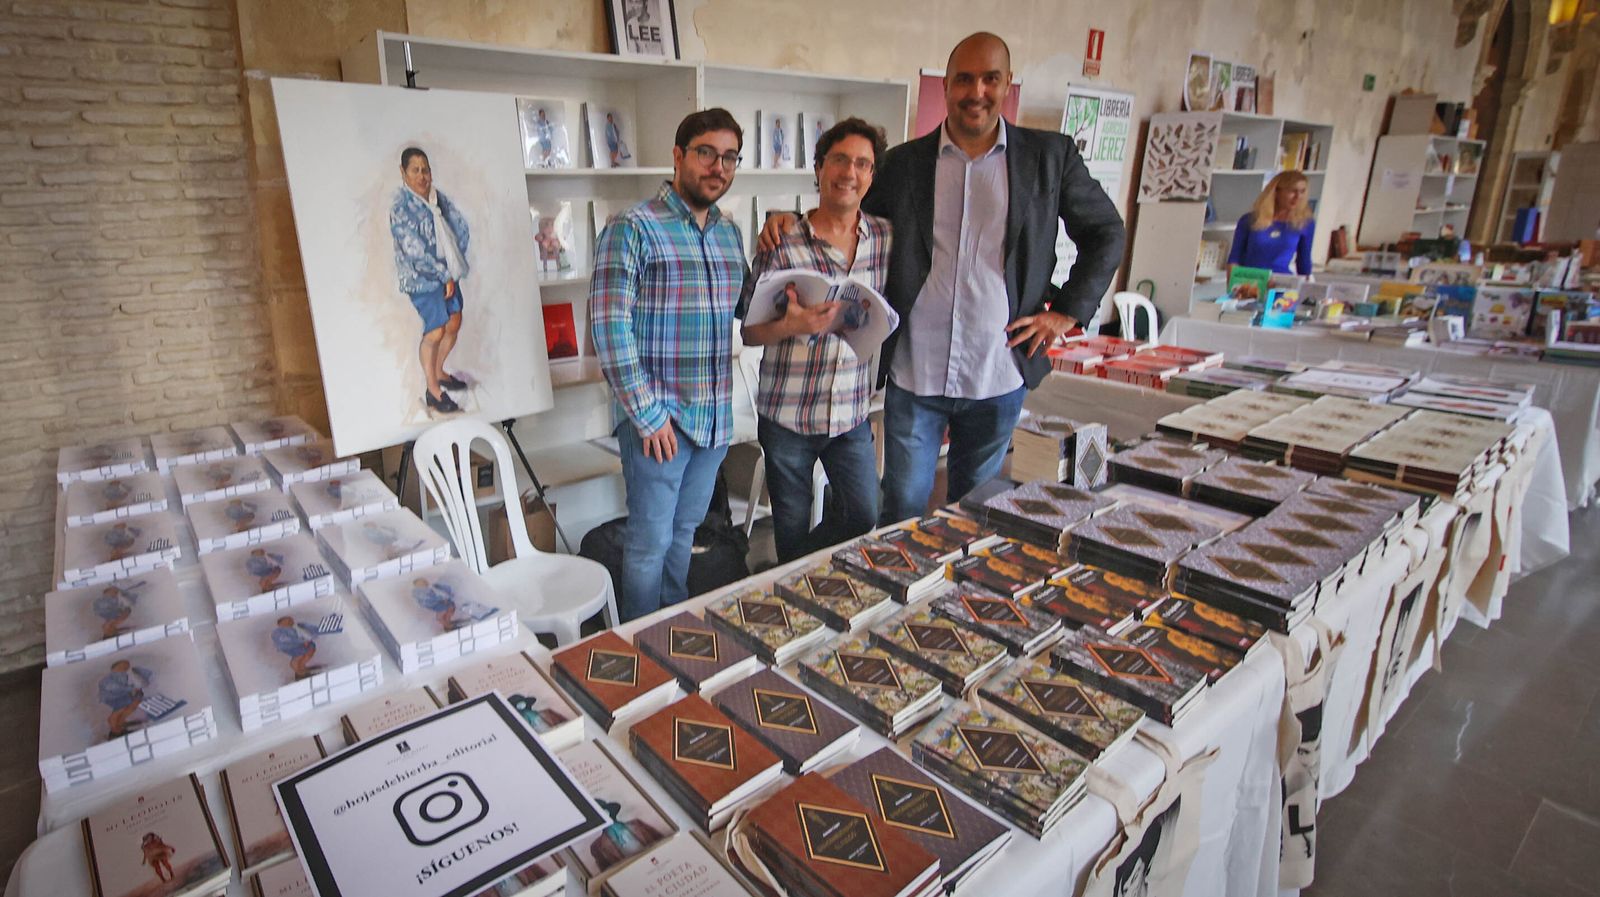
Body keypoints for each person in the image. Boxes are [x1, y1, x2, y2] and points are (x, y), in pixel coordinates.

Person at [759, 32, 1124, 523]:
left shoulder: (1049, 158)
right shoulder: (904, 165)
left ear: (1006, 83)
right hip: (917, 372)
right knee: (903, 509)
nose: (977, 91)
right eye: (964, 79)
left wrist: (1066, 313)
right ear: (947, 85)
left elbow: (1106, 232)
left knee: (977, 512)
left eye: (990, 79)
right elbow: (846, 208)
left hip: (998, 370)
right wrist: (787, 217)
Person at [589, 108, 747, 621]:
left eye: (729, 157)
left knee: (684, 535)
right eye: (706, 153)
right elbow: (610, 329)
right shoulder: (632, 228)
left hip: (713, 420)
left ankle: (672, 626)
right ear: (678, 156)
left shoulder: (729, 234)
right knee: (648, 543)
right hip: (661, 422)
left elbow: (750, 305)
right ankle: (640, 644)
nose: (717, 167)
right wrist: (647, 414)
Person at [738, 117, 891, 562]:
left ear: (871, 176)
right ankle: (796, 591)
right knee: (788, 524)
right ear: (819, 167)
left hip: (851, 414)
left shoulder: (884, 238)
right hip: (788, 413)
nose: (850, 173)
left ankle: (802, 569)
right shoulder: (782, 240)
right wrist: (792, 326)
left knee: (864, 513)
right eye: (840, 160)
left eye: (862, 164)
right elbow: (748, 330)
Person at [390, 146, 471, 414]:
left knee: (455, 321)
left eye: (425, 170)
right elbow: (413, 250)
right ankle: (433, 389)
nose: (422, 176)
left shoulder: (438, 200)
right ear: (403, 173)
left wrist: (454, 258)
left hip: (448, 272)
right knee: (436, 329)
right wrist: (441, 273)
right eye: (416, 170)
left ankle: (439, 371)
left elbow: (459, 225)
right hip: (423, 278)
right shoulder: (402, 208)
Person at [1227, 170, 1314, 275]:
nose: (1297, 197)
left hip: (1282, 283)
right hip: (1250, 282)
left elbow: (1304, 264)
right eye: (1292, 191)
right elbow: (1234, 259)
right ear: (1277, 192)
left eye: (1302, 191)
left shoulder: (1305, 223)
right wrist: (1233, 288)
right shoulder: (1250, 220)